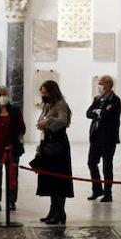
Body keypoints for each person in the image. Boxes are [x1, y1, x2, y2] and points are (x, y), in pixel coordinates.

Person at [32, 79, 73, 224]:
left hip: (58, 145)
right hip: (47, 143)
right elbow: (41, 120)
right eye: (42, 93)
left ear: (52, 92)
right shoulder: (47, 105)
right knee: (50, 179)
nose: (43, 95)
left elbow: (63, 120)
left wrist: (47, 122)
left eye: (45, 92)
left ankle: (60, 212)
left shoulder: (60, 104)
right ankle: (52, 210)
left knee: (59, 180)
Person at [85, 74, 121, 202]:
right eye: (99, 83)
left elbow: (108, 115)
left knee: (107, 165)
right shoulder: (97, 99)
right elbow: (88, 113)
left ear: (109, 85)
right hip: (95, 137)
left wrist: (99, 112)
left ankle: (108, 193)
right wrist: (97, 112)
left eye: (101, 83)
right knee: (91, 162)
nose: (99, 86)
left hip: (108, 138)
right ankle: (97, 190)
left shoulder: (115, 100)